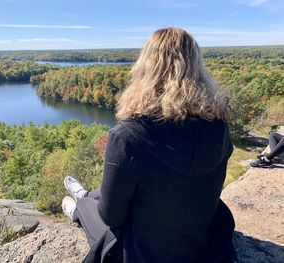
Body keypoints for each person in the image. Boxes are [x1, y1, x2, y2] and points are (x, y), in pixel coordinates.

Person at [61, 27, 236, 263]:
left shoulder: (128, 136)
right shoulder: (219, 128)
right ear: (197, 67)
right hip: (203, 242)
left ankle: (79, 207)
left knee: (94, 208)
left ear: (147, 66)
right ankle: (85, 194)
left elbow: (111, 216)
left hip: (145, 252)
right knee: (108, 192)